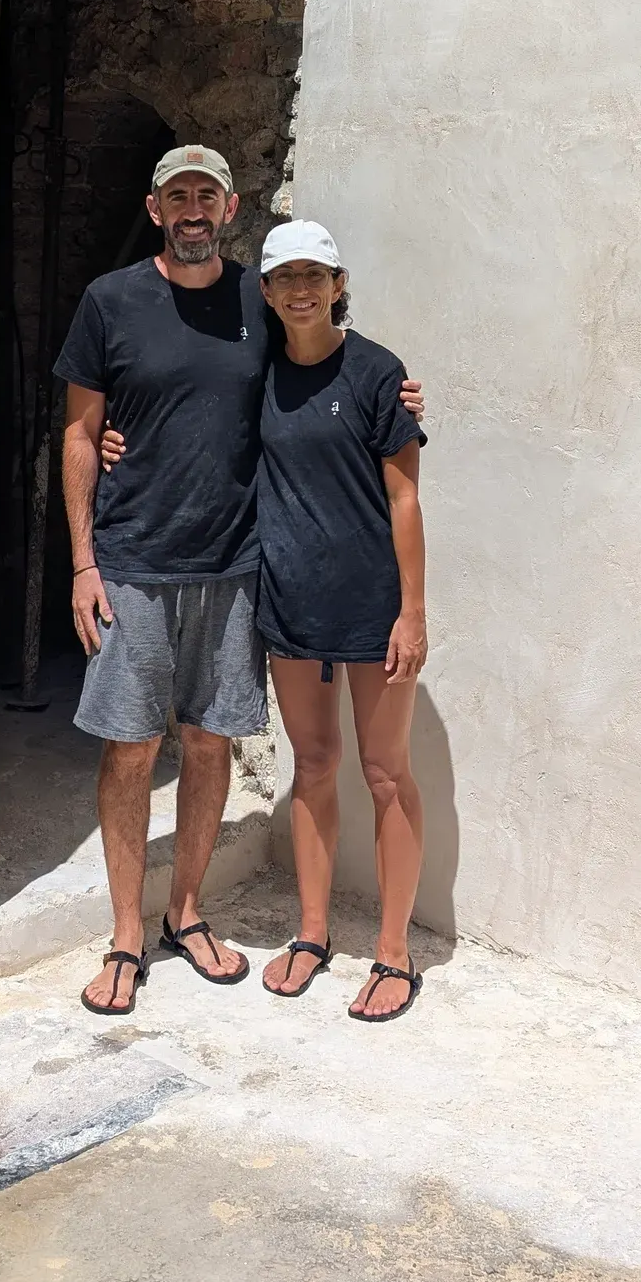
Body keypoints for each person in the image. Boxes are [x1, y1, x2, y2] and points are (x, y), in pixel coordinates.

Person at [55, 148, 422, 1017]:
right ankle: (126, 936)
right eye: (177, 195)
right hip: (137, 563)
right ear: (155, 208)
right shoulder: (111, 300)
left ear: (229, 208)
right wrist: (82, 561)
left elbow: (345, 389)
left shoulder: (265, 311)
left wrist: (397, 397)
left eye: (207, 195)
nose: (193, 208)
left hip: (237, 567)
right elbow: (81, 434)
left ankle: (188, 914)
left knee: (212, 743)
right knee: (131, 750)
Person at [251, 222, 429, 1022]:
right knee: (314, 765)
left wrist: (412, 612)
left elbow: (404, 497)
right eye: (285, 276)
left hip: (372, 605)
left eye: (314, 275)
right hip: (291, 600)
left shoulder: (377, 372)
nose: (300, 290)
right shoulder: (255, 373)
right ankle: (313, 933)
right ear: (266, 290)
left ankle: (394, 954)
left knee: (386, 773)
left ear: (338, 283)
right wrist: (115, 441)